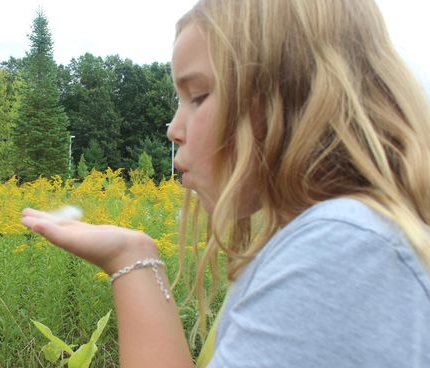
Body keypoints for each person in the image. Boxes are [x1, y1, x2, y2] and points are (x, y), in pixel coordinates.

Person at [21, 0, 430, 366]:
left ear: (292, 97)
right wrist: (131, 258)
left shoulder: (340, 249)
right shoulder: (336, 241)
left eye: (197, 96)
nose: (173, 130)